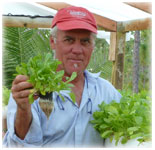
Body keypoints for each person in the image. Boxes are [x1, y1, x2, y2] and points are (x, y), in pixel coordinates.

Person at [3, 6, 121, 147]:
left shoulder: (106, 92)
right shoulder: (31, 88)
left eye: (85, 41)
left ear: (93, 46)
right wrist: (23, 109)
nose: (77, 50)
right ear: (53, 42)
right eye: (69, 40)